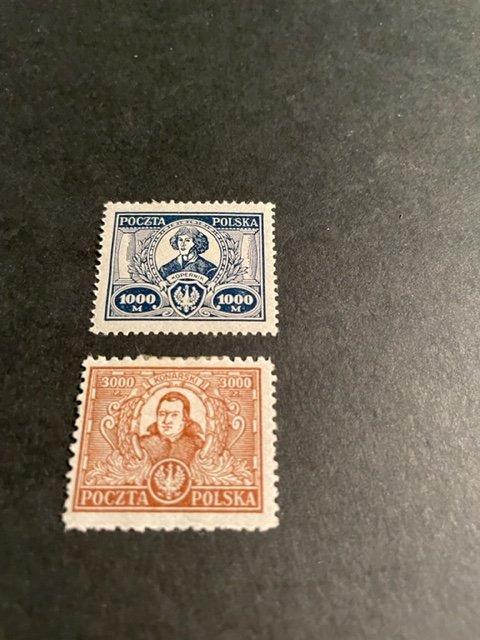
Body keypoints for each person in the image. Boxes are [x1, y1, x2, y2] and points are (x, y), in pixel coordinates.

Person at [136, 392, 204, 466]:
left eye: (174, 415)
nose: (166, 421)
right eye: (162, 414)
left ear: (185, 419)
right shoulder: (143, 444)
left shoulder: (197, 446)